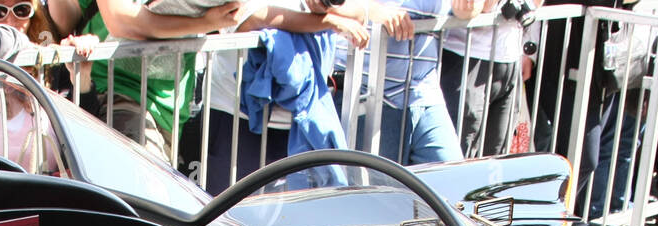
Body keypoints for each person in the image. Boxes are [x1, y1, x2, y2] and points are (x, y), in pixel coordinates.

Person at [201, 0, 372, 193]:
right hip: (236, 116)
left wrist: (327, 8)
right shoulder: (327, 19)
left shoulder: (325, 9)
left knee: (288, 217)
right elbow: (251, 17)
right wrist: (329, 20)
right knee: (227, 212)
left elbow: (360, 12)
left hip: (299, 124)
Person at [65, 0, 241, 162]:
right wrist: (207, 22)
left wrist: (219, 17)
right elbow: (121, 22)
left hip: (171, 107)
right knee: (140, 187)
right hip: (120, 95)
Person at [364, 0, 481, 167]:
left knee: (452, 176)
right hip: (372, 96)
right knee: (379, 185)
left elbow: (469, 8)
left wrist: (468, 7)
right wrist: (372, 10)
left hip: (424, 93)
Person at [439, 0, 539, 157]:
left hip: (509, 58)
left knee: (496, 160)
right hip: (467, 58)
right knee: (459, 155)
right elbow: (477, 7)